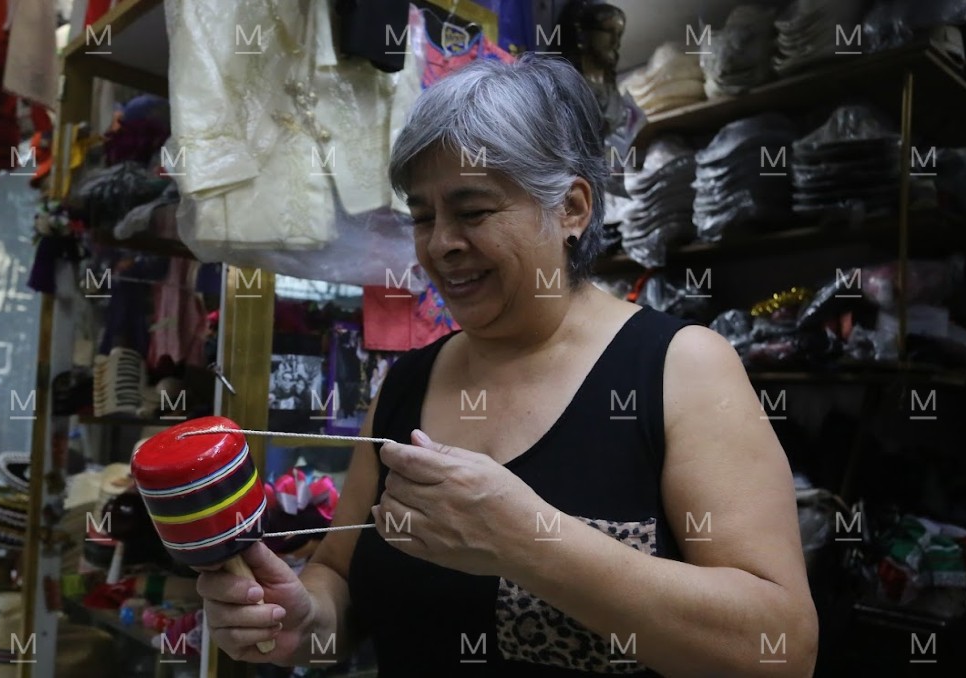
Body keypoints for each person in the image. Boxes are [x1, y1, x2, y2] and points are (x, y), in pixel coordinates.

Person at [197, 55, 818, 677]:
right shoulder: (407, 383)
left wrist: (529, 543)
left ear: (571, 208)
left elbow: (781, 650)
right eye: (422, 216)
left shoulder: (681, 369)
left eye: (472, 212)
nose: (441, 243)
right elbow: (341, 575)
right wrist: (307, 620)